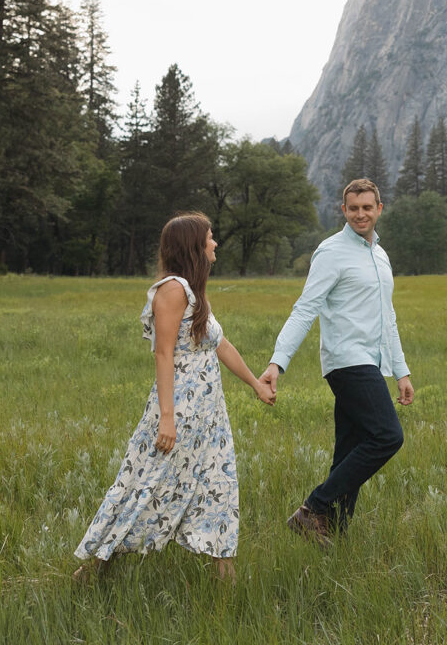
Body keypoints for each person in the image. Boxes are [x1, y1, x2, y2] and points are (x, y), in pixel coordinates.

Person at [73, 212, 275, 583]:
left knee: (219, 485)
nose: (215, 243)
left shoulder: (194, 290)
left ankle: (226, 579)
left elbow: (220, 345)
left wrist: (255, 385)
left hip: (209, 415)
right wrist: (167, 417)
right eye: (210, 237)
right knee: (149, 484)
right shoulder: (172, 289)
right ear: (194, 246)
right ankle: (94, 569)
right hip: (179, 408)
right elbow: (164, 353)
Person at [262, 178, 414, 547]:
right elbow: (305, 308)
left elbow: (387, 316)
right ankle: (314, 508)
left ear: (379, 209)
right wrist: (277, 363)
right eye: (353, 208)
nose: (360, 214)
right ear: (343, 210)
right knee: (387, 436)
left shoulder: (380, 254)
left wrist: (401, 371)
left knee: (350, 448)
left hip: (373, 361)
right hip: (347, 361)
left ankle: (332, 533)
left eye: (367, 207)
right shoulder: (331, 251)